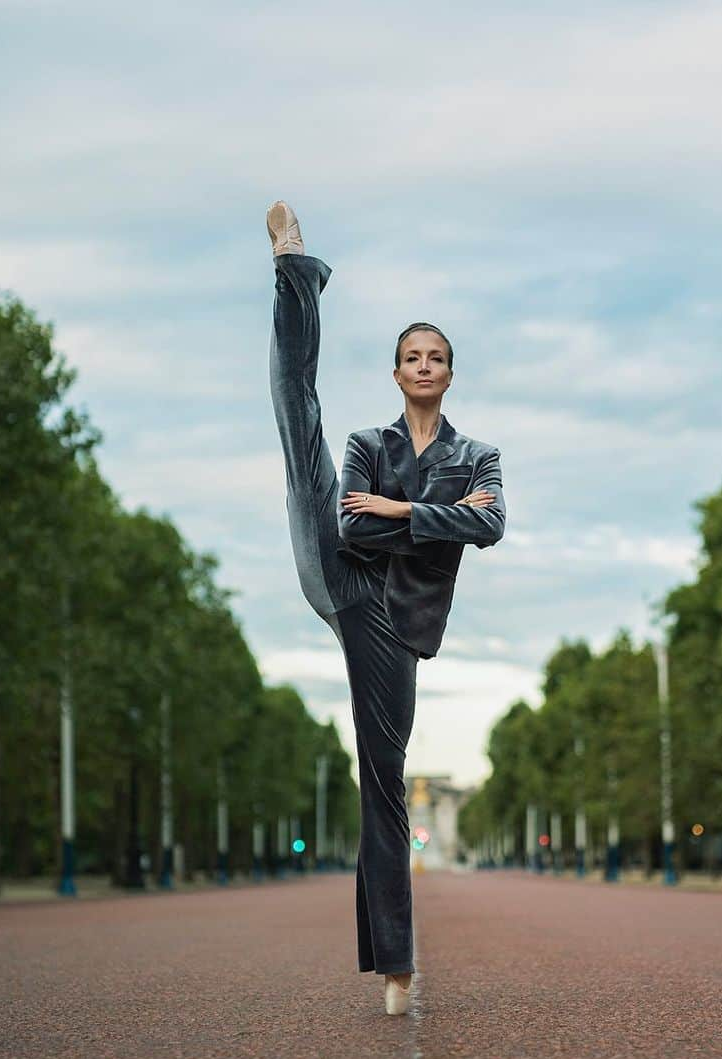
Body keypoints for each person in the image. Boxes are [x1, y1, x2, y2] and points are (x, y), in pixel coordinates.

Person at [266, 201, 506, 1016]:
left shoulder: (480, 455)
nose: (425, 365)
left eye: (437, 356)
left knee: (385, 783)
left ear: (449, 372)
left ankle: (395, 964)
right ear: (397, 370)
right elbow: (351, 521)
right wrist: (434, 524)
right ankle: (295, 274)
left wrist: (403, 515)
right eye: (412, 355)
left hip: (397, 621)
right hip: (340, 574)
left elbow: (492, 523)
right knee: (300, 424)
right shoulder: (369, 443)